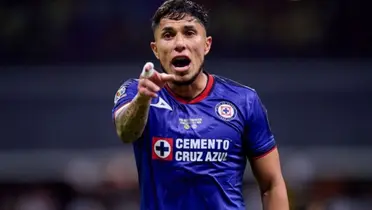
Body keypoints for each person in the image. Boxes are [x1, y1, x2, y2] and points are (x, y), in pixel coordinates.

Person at [112, 0, 289, 209]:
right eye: (168, 35)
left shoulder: (244, 101)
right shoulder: (138, 92)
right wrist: (143, 99)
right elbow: (125, 131)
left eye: (189, 32)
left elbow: (272, 184)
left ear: (207, 45)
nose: (179, 43)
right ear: (156, 49)